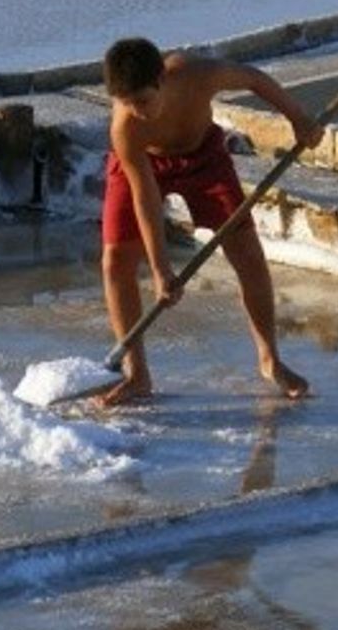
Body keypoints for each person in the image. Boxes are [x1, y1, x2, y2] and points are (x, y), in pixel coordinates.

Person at [98, 36, 318, 408]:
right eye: (127, 103)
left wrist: (299, 118)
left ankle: (270, 359)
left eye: (143, 101)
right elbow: (145, 197)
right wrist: (161, 268)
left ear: (161, 81)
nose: (137, 111)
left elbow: (253, 79)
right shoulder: (125, 128)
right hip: (143, 166)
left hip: (203, 156)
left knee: (247, 250)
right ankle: (137, 374)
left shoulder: (197, 73)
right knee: (115, 260)